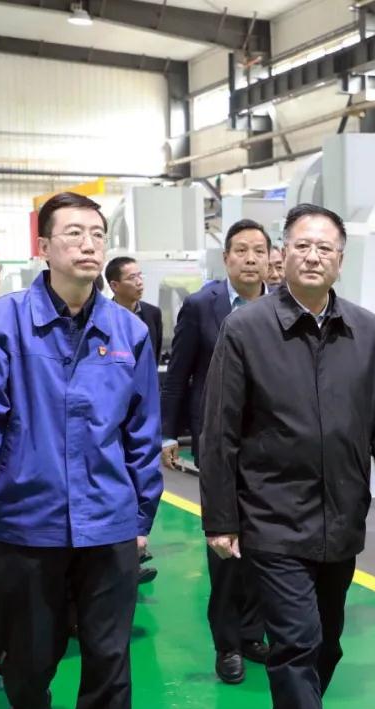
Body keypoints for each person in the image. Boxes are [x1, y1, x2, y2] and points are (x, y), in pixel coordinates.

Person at [201, 203, 375, 709]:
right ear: (282, 255)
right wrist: (221, 517)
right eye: (302, 245)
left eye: (325, 248)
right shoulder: (246, 329)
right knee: (297, 642)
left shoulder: (367, 331)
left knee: (326, 643)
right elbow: (219, 430)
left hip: (342, 517)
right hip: (272, 517)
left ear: (340, 261)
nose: (312, 256)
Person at [0, 192, 162, 709]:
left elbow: (142, 431)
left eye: (97, 234)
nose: (89, 245)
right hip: (27, 521)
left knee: (110, 659)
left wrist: (140, 517)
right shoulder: (2, 323)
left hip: (108, 522)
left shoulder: (129, 331)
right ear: (43, 246)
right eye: (74, 233)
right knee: (29, 658)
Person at [161, 219, 270, 685]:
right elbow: (179, 375)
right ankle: (228, 644)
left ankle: (252, 632)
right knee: (225, 544)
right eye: (241, 250)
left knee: (265, 544)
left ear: (271, 258)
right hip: (218, 442)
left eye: (259, 250)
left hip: (271, 445)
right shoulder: (202, 306)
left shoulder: (281, 304)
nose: (250, 258)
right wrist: (168, 434)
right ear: (225, 258)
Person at [106, 255, 163, 362]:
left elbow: (154, 355)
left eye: (140, 276)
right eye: (132, 277)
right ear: (114, 286)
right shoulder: (102, 315)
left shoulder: (153, 313)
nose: (139, 282)